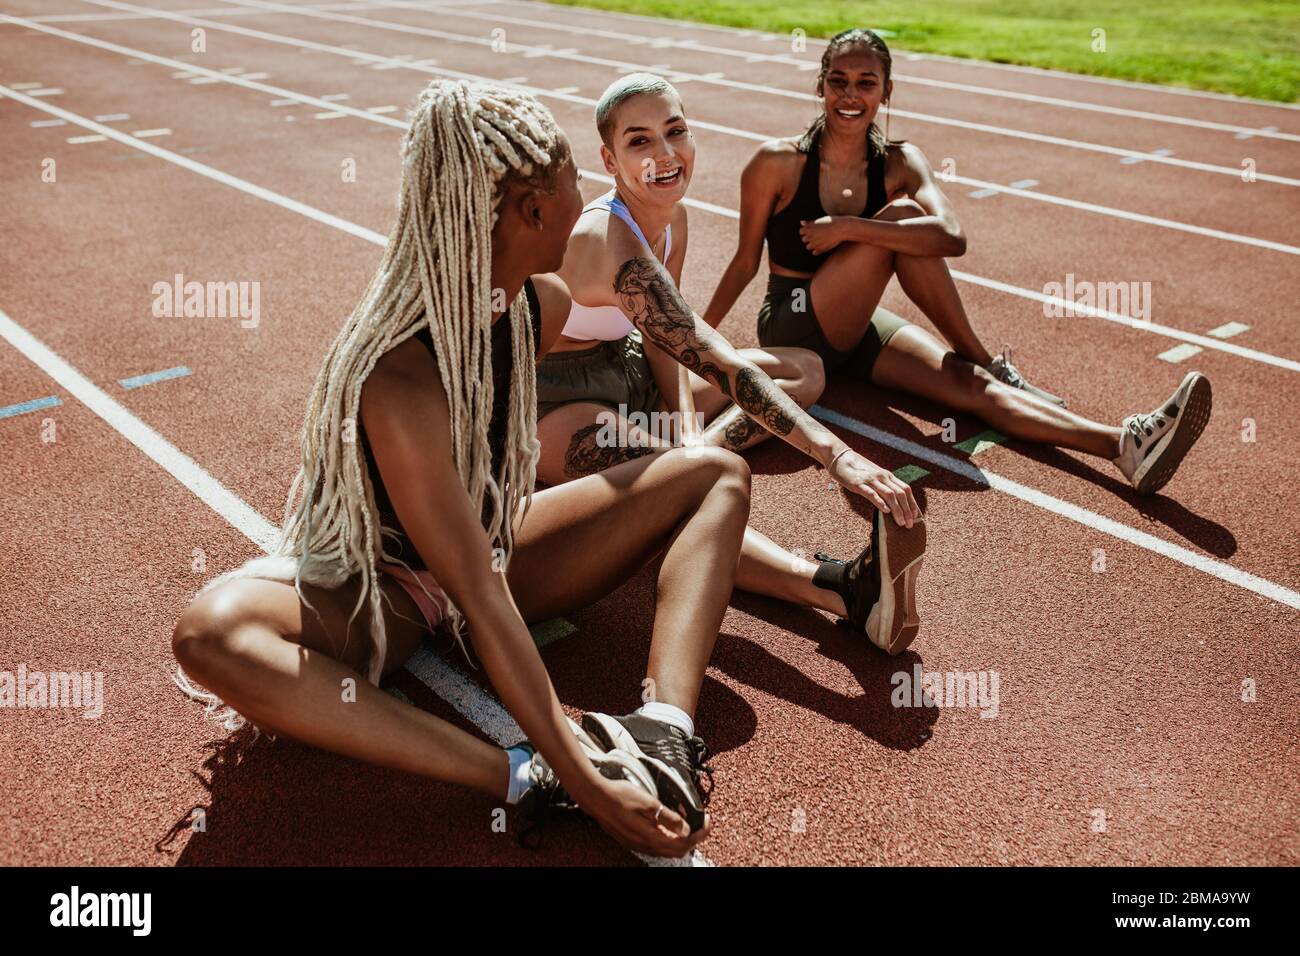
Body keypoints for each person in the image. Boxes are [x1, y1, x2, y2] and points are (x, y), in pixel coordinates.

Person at [170, 80, 758, 857]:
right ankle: (516, 778)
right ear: (533, 212)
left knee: (713, 471)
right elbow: (475, 591)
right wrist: (576, 772)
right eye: (573, 179)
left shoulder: (531, 302)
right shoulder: (399, 373)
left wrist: (826, 445)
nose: (588, 191)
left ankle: (666, 729)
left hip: (496, 547)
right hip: (392, 592)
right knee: (210, 634)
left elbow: (677, 331)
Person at [705, 29, 1212, 498]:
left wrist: (849, 228)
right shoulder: (776, 163)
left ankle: (1122, 445)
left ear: (886, 91)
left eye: (866, 83)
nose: (850, 96)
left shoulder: (901, 162)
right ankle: (988, 359)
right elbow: (745, 263)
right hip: (795, 325)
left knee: (971, 386)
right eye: (837, 81)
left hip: (858, 333)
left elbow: (952, 236)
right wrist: (692, 346)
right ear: (819, 85)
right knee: (905, 218)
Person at [536, 73, 928, 658]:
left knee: (804, 371)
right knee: (682, 491)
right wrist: (835, 455)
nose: (665, 154)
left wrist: (692, 433)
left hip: (632, 366)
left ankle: (696, 459)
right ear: (610, 160)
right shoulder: (604, 238)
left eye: (675, 131)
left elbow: (670, 343)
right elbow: (710, 353)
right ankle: (843, 589)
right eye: (640, 142)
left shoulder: (672, 218)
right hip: (556, 401)